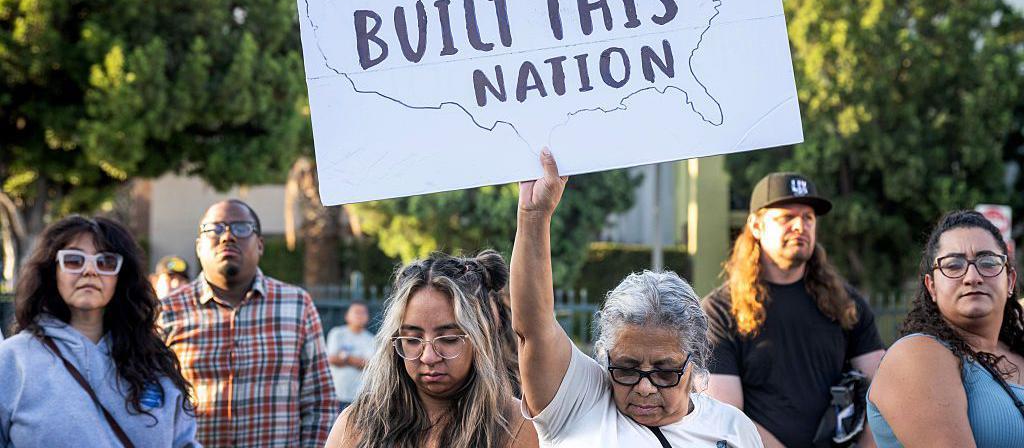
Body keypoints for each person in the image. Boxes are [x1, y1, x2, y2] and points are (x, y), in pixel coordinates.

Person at [512, 150, 762, 447]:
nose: (644, 387)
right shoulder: (579, 403)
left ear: (694, 362)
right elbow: (534, 328)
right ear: (606, 357)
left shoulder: (733, 429)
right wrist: (534, 216)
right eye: (627, 369)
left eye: (666, 372)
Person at [702, 172, 885, 448]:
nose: (800, 226)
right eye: (786, 218)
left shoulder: (846, 304)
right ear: (756, 226)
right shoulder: (719, 311)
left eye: (808, 218)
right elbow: (726, 418)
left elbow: (883, 393)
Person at [0, 215, 198, 447]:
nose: (90, 271)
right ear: (53, 272)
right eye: (74, 260)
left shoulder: (154, 360)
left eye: (105, 262)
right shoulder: (13, 360)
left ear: (121, 277)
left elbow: (183, 442)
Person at [158, 199, 335, 448]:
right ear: (198, 246)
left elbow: (320, 401)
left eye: (241, 228)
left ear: (260, 245)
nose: (227, 236)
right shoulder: (167, 311)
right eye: (214, 229)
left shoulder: (297, 305)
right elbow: (151, 403)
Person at [325, 250, 538, 448]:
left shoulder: (518, 427)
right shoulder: (355, 425)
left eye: (448, 339)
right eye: (412, 340)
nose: (428, 357)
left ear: (479, 339)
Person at [867, 210, 1024, 446]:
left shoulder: (1018, 351)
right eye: (953, 265)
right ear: (932, 287)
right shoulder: (917, 355)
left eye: (988, 262)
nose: (972, 277)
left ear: (1010, 281)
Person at [327, 300, 376, 410]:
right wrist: (358, 361)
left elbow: (370, 365)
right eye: (356, 312)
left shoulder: (371, 339)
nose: (360, 316)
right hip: (336, 395)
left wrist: (345, 357)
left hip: (359, 398)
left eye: (363, 313)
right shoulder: (337, 334)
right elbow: (332, 359)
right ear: (347, 316)